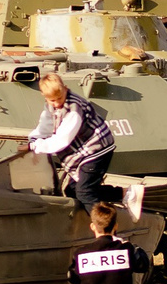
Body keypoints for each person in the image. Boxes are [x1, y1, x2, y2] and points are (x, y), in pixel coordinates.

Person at [30, 71, 117, 209]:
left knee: (84, 193)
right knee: (72, 191)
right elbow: (45, 126)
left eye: (60, 98)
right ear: (44, 96)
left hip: (98, 149)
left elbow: (62, 140)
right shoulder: (51, 106)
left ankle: (104, 227)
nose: (57, 103)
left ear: (65, 88)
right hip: (86, 150)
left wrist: (36, 147)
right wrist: (33, 140)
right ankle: (126, 194)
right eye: (52, 100)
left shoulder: (74, 109)